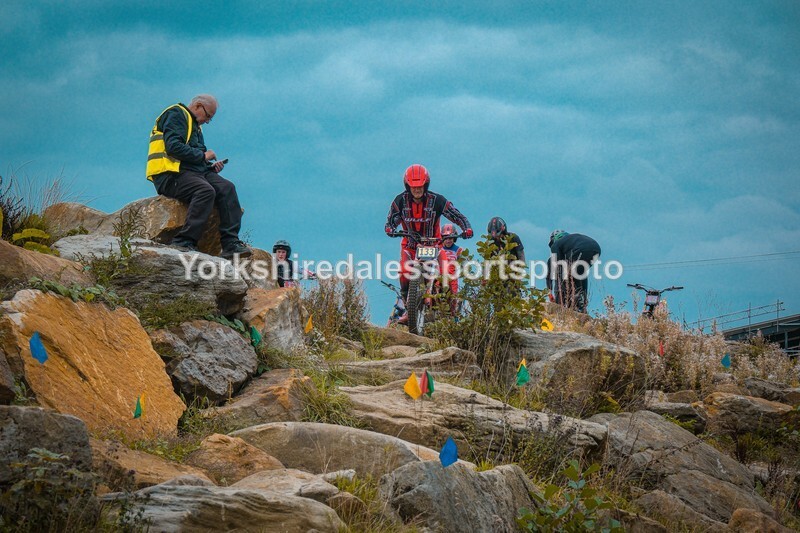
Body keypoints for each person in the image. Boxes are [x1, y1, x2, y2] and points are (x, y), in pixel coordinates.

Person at [146, 94, 251, 259]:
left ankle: (230, 243)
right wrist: (203, 156)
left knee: (227, 187)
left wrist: (210, 166)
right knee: (205, 191)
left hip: (192, 172)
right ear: (198, 106)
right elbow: (173, 147)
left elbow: (195, 157)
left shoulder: (195, 126)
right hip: (170, 174)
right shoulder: (176, 114)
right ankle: (184, 241)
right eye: (208, 116)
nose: (207, 121)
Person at [385, 164, 473, 308]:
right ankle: (407, 304)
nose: (417, 190)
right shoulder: (400, 201)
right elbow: (391, 219)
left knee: (446, 275)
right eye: (413, 187)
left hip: (435, 245)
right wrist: (390, 228)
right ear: (407, 186)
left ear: (426, 185)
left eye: (420, 186)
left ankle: (449, 310)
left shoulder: (437, 200)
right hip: (410, 245)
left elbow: (456, 215)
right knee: (404, 271)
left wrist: (466, 227)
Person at [546, 230, 601, 313]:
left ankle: (570, 302)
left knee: (564, 272)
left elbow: (556, 266)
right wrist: (585, 297)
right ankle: (581, 303)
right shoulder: (571, 242)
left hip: (581, 250)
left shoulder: (556, 245)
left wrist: (550, 292)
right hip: (596, 250)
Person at [438, 224, 465, 314]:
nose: (448, 240)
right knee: (435, 287)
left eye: (450, 238)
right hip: (439, 274)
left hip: (452, 277)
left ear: (454, 238)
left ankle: (453, 315)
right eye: (446, 238)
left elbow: (463, 263)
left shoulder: (458, 250)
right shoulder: (438, 248)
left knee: (453, 295)